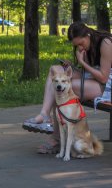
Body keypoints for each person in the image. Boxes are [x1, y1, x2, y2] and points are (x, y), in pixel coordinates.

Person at [22, 21, 112, 154]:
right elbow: (89, 69)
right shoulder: (86, 45)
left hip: (106, 85)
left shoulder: (106, 43)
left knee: (63, 88)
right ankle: (44, 114)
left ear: (88, 34)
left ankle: (56, 140)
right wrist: (73, 66)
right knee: (56, 69)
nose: (80, 47)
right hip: (92, 77)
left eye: (81, 44)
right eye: (76, 46)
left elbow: (103, 77)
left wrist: (82, 62)